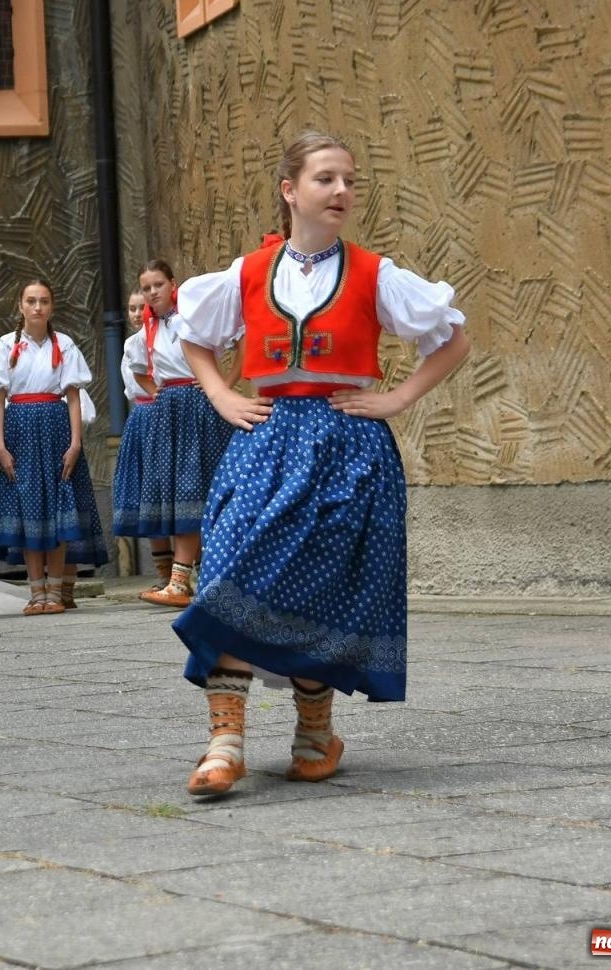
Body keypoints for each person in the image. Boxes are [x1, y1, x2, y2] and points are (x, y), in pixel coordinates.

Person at [171, 131, 470, 798]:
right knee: (226, 574)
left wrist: (396, 396)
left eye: (350, 181)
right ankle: (225, 745)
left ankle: (316, 732)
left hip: (349, 450)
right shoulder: (248, 273)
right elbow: (192, 334)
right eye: (327, 179)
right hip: (266, 441)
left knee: (318, 587)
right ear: (290, 190)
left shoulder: (373, 273)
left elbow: (452, 339)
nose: (342, 192)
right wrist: (220, 392)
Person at [0, 279, 108, 615]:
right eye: (31, 301)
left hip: (56, 432)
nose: (37, 308)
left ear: (51, 307)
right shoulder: (3, 349)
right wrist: (0, 446)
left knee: (57, 511)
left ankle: (54, 592)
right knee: (28, 511)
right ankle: (35, 592)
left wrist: (76, 442)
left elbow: (73, 398)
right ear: (20, 306)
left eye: (44, 301)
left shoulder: (64, 346)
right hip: (19, 431)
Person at [128, 259, 235, 608]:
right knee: (175, 490)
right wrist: (157, 390)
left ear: (173, 284)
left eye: (158, 284)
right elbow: (140, 371)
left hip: (199, 404)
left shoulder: (194, 316)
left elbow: (242, 341)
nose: (152, 292)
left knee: (195, 488)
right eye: (146, 288)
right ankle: (195, 580)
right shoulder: (148, 328)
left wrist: (223, 387)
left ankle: (181, 581)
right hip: (168, 409)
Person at [110, 289, 172, 589]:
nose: (137, 313)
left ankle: (186, 573)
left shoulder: (168, 336)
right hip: (141, 419)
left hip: (165, 413)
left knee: (173, 492)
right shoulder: (131, 344)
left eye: (142, 307)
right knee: (150, 497)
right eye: (132, 308)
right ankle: (164, 575)